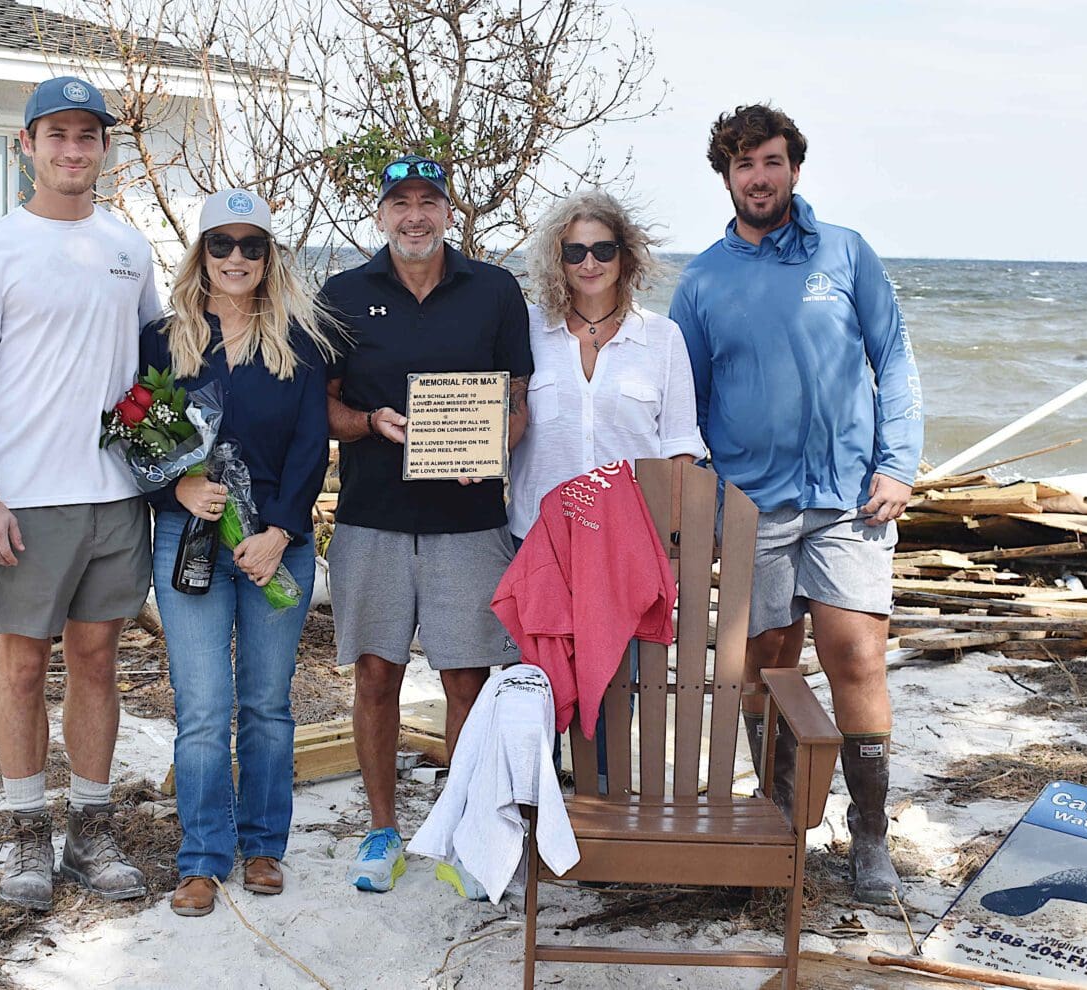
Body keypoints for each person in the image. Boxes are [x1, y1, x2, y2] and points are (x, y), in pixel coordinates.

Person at [669, 104, 924, 904]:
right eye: (744, 166)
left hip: (850, 503)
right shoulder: (703, 279)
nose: (759, 178)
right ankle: (780, 824)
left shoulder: (846, 254)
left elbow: (896, 361)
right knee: (763, 672)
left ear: (794, 169)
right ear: (726, 176)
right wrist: (705, 504)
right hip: (754, 509)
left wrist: (899, 466)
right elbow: (687, 405)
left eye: (772, 162)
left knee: (856, 660)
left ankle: (871, 838)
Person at [0, 76, 161, 910]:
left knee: (99, 663)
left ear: (105, 148)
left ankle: (90, 830)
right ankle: (26, 834)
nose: (74, 150)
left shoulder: (129, 247)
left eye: (88, 136)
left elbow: (152, 365)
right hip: (26, 499)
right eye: (57, 135)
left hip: (116, 498)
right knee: (22, 668)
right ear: (25, 146)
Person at [321, 154, 532, 895]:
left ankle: (461, 832)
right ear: (380, 216)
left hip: (470, 521)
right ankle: (382, 831)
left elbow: (518, 401)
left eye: (429, 201)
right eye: (400, 202)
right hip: (372, 519)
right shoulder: (343, 293)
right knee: (375, 675)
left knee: (467, 682)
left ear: (451, 212)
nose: (415, 215)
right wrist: (368, 424)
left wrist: (492, 450)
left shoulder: (495, 290)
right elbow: (326, 406)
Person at [142, 190, 338, 917]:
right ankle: (201, 858)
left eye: (250, 246)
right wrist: (180, 489)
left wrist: (280, 532)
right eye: (220, 244)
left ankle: (262, 848)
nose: (235, 258)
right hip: (186, 540)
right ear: (200, 254)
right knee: (201, 707)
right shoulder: (163, 341)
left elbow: (311, 447)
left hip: (275, 545)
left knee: (265, 705)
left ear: (269, 256)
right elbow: (143, 437)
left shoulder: (301, 342)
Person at [510, 189, 703, 789]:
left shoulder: (663, 338)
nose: (589, 262)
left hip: (627, 542)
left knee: (618, 680)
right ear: (557, 259)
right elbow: (502, 425)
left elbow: (679, 445)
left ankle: (604, 797)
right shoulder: (530, 333)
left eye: (603, 249)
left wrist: (669, 540)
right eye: (575, 251)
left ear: (627, 255)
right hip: (539, 539)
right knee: (542, 675)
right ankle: (545, 800)